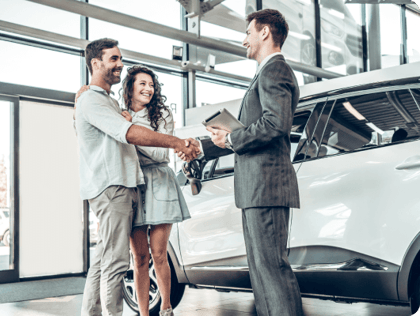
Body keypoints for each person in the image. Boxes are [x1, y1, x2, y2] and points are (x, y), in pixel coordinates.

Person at [179, 8, 303, 316]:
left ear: (264, 32)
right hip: (257, 189)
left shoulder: (275, 70)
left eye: (248, 32)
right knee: (261, 270)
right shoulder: (266, 72)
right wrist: (205, 145)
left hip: (266, 187)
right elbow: (249, 131)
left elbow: (275, 125)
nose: (244, 38)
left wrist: (233, 139)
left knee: (270, 268)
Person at [75, 38, 199, 316]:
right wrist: (176, 143)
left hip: (128, 186)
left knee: (103, 260)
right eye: (114, 59)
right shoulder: (94, 101)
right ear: (96, 63)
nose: (120, 64)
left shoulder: (106, 101)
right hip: (112, 188)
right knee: (118, 262)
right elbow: (127, 134)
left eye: (121, 59)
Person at [121, 65, 191, 316]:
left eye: (151, 85)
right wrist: (125, 126)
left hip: (160, 181)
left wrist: (131, 134)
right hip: (133, 184)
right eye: (142, 84)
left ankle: (166, 307)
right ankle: (143, 313)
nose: (148, 89)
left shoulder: (162, 115)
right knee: (139, 258)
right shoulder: (120, 115)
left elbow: (161, 152)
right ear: (130, 88)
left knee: (159, 253)